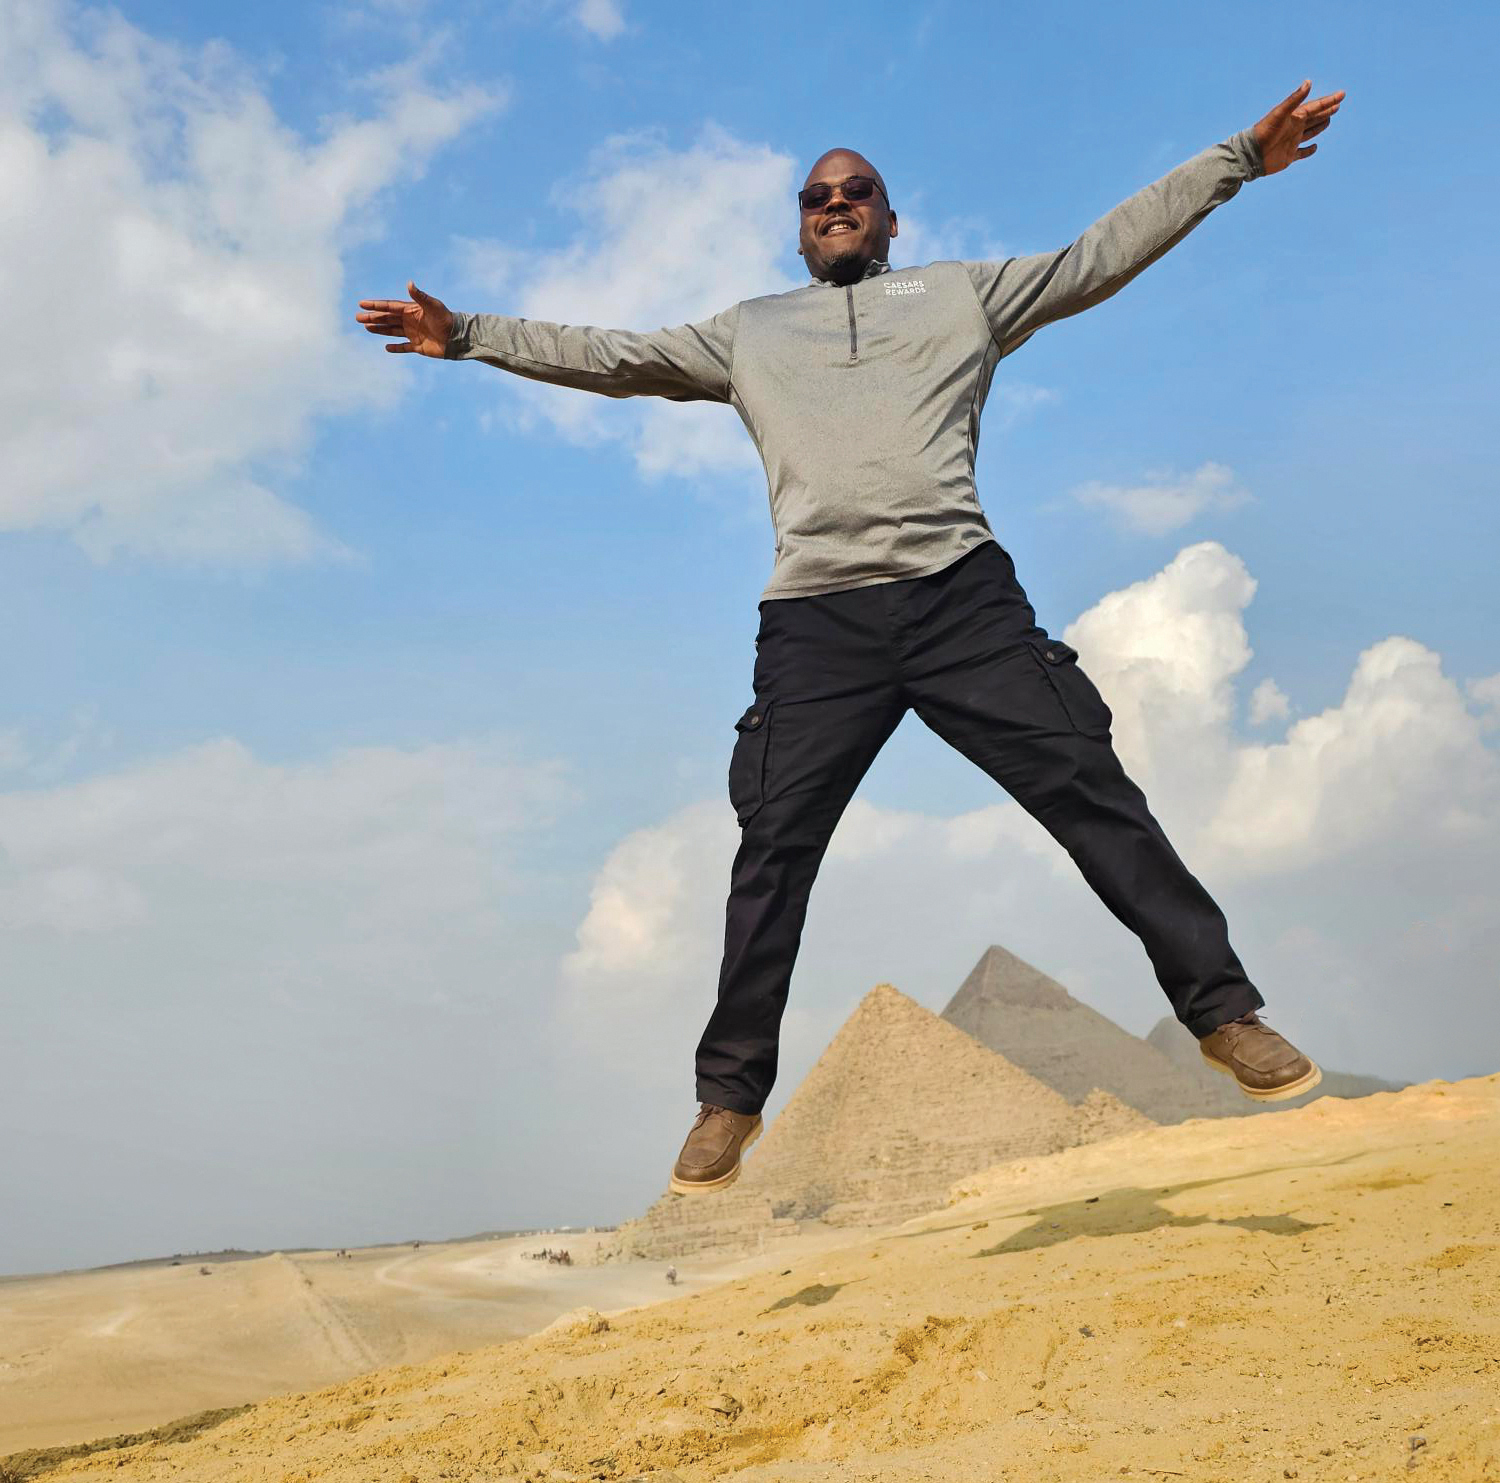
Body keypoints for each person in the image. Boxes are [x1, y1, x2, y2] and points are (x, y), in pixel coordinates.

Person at [358, 81, 1345, 1197]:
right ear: (800, 224)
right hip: (817, 620)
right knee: (773, 845)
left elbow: (1099, 254)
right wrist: (468, 337)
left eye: (857, 192)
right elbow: (611, 355)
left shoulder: (962, 295)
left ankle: (1225, 1016)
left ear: (889, 217)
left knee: (1088, 782)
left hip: (959, 594)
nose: (837, 205)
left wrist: (1240, 162)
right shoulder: (749, 332)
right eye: (817, 196)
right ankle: (729, 1098)